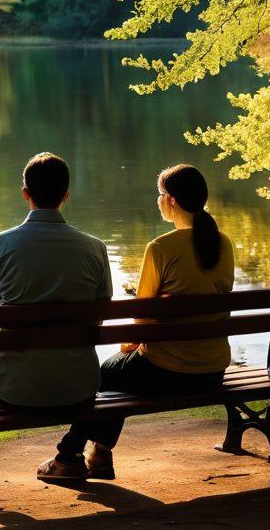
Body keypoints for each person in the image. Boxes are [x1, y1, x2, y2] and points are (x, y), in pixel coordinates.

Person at [38, 163, 235, 482]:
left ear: (171, 200)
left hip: (169, 371)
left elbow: (141, 318)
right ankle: (97, 455)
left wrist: (132, 344)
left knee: (106, 373)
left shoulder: (161, 248)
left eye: (160, 195)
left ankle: (69, 455)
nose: (157, 201)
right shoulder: (224, 244)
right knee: (122, 371)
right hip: (213, 370)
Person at [0, 152, 113, 415]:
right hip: (80, 385)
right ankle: (72, 450)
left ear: (25, 193)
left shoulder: (0, 245)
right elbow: (98, 319)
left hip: (16, 388)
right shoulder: (95, 248)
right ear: (66, 195)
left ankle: (9, 417)